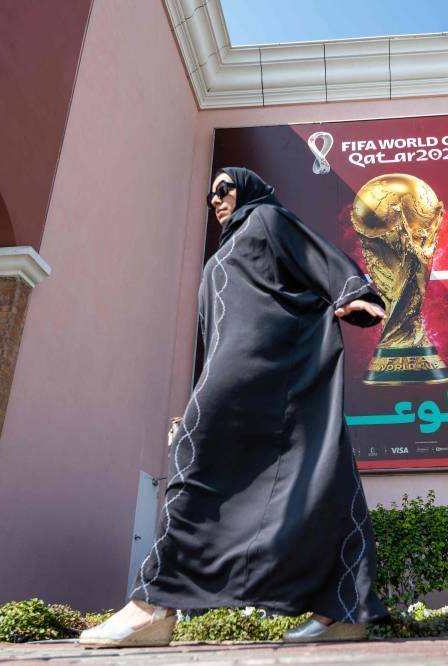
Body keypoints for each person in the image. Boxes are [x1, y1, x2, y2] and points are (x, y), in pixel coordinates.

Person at [79, 168, 389, 648]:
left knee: (196, 466)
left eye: (224, 189)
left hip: (265, 368)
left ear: (247, 188)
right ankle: (343, 608)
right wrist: (202, 391)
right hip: (237, 373)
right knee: (324, 474)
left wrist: (352, 291)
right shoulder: (228, 246)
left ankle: (152, 606)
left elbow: (316, 254)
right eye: (211, 193)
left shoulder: (266, 218)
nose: (216, 199)